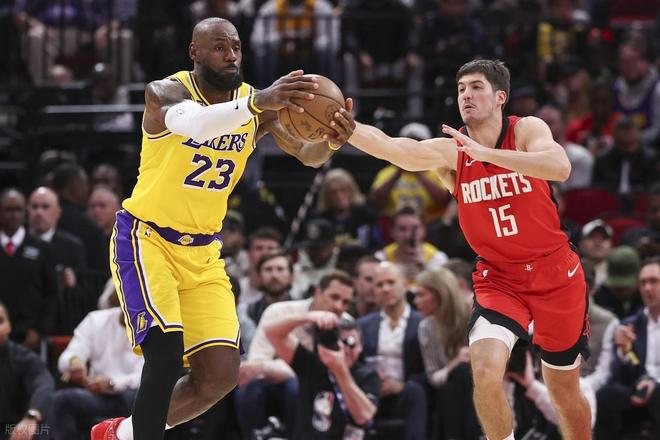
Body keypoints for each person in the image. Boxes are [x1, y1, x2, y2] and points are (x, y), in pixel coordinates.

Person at [91, 17, 355, 440]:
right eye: (219, 47)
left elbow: (308, 155)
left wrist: (332, 141)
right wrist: (259, 103)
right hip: (148, 240)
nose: (231, 56)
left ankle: (121, 434)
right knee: (165, 354)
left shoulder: (256, 105)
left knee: (220, 374)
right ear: (194, 52)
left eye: (235, 46)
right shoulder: (165, 92)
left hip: (203, 252)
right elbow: (195, 124)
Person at [345, 59, 592, 440]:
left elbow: (559, 167)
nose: (466, 95)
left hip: (555, 273)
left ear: (500, 97)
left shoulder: (526, 129)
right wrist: (348, 129)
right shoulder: (452, 150)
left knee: (563, 392)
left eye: (476, 87)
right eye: (461, 89)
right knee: (485, 371)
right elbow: (394, 148)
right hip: (500, 279)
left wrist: (486, 155)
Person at [265, 311, 380, 440]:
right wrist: (308, 316)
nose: (344, 349)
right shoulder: (311, 364)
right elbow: (271, 332)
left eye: (351, 343)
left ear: (360, 346)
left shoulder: (368, 376)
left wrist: (339, 369)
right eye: (337, 342)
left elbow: (363, 417)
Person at [595, 257, 660, 440]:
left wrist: (655, 383)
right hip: (637, 385)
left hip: (657, 388)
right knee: (606, 395)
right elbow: (620, 374)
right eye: (643, 283)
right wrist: (623, 351)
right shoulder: (630, 324)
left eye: (654, 281)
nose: (647, 288)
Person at [0, 301, 54, 440]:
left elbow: (44, 385)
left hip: (13, 427)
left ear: (9, 326)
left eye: (0, 321)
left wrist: (31, 416)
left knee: (42, 430)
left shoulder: (24, 358)